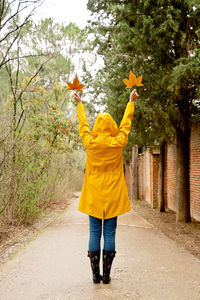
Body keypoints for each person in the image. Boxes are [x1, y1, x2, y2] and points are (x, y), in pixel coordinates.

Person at [73, 89, 138, 284]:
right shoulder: (118, 142)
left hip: (94, 194)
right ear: (111, 126)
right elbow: (126, 126)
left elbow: (83, 127)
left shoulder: (90, 142)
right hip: (113, 194)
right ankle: (107, 275)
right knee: (109, 233)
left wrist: (80, 105)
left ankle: (95, 275)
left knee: (94, 232)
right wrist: (131, 103)